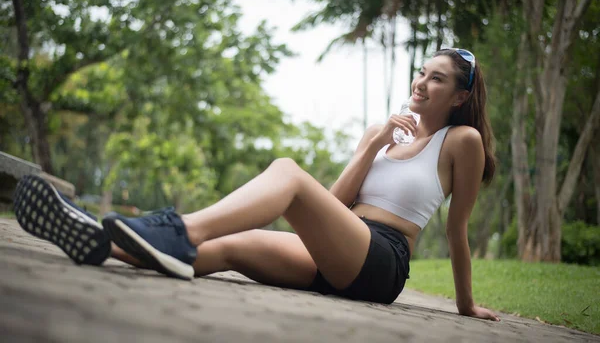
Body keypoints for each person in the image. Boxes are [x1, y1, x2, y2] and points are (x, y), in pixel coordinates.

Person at [13, 48, 500, 321]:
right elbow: (329, 207)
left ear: (459, 96)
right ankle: (100, 243)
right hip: (335, 252)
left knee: (286, 169)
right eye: (421, 72)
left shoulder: (463, 140)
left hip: (381, 261)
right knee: (226, 248)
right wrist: (371, 146)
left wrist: (465, 306)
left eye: (437, 79)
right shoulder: (382, 134)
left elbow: (458, 231)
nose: (421, 82)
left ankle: (172, 228)